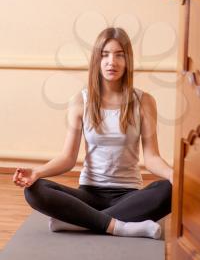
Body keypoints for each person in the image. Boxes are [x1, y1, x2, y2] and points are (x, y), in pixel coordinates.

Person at [13, 27, 173, 240]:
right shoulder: (80, 101)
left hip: (129, 195)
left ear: (128, 61)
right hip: (88, 193)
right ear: (96, 61)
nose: (111, 62)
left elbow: (152, 158)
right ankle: (119, 226)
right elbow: (68, 158)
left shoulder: (144, 101)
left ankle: (80, 223)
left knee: (169, 189)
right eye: (104, 55)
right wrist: (37, 172)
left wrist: (173, 175)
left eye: (119, 55)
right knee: (34, 190)